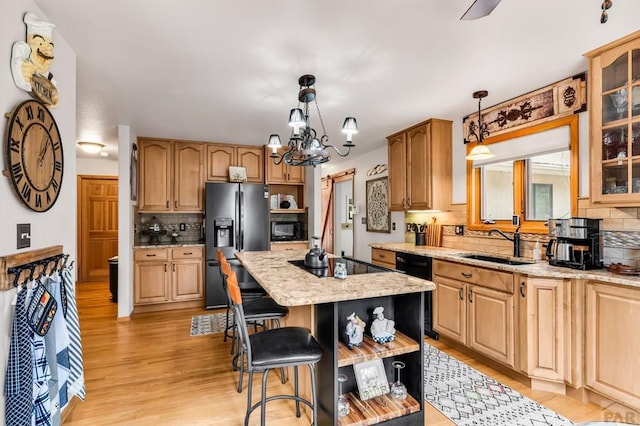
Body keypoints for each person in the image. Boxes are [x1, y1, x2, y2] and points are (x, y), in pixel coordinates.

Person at [11, 13, 58, 106]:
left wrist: (53, 99)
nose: (47, 52)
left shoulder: (48, 77)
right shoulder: (23, 55)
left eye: (50, 48)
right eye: (40, 44)